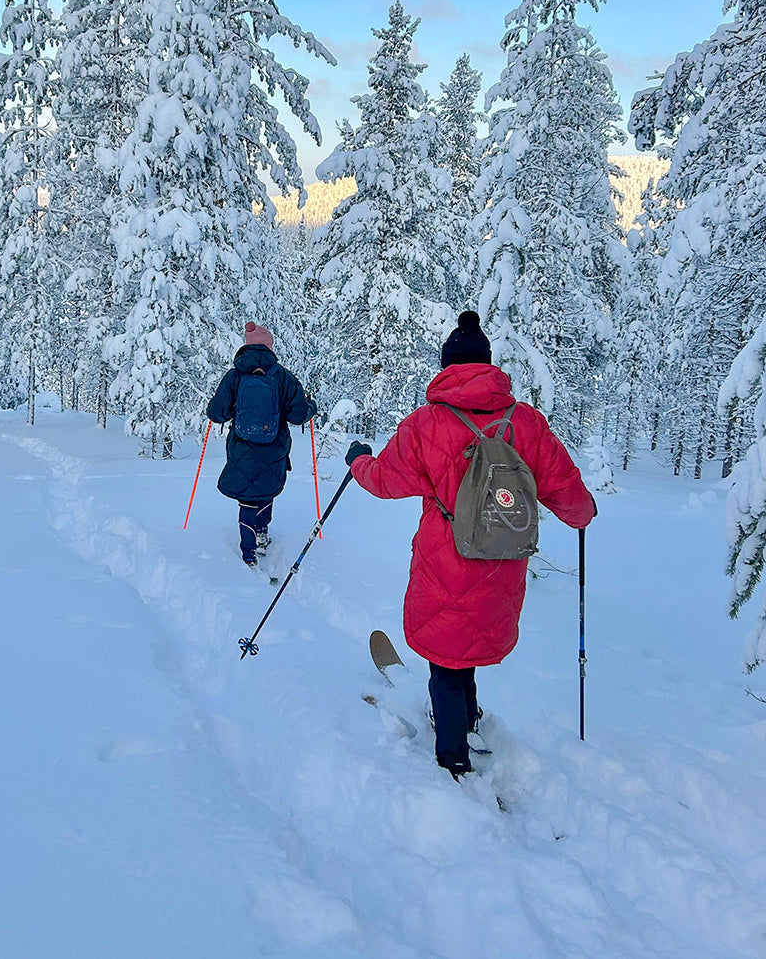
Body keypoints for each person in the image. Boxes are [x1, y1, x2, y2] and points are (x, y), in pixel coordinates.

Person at [344, 310, 596, 780]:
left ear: (446, 369)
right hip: (501, 564)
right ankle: (470, 715)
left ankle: (453, 756)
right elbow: (567, 491)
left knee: (445, 656)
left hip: (446, 561)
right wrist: (583, 514)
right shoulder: (526, 423)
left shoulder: (426, 423)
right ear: (487, 366)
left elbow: (382, 481)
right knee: (470, 643)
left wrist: (358, 460)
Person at [207, 322, 317, 568]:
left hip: (241, 448)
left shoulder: (234, 376)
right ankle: (262, 532)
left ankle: (248, 553)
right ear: (269, 347)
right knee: (266, 489)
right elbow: (298, 415)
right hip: (274, 447)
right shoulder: (282, 376)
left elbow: (217, 413)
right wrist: (311, 407)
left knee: (247, 496)